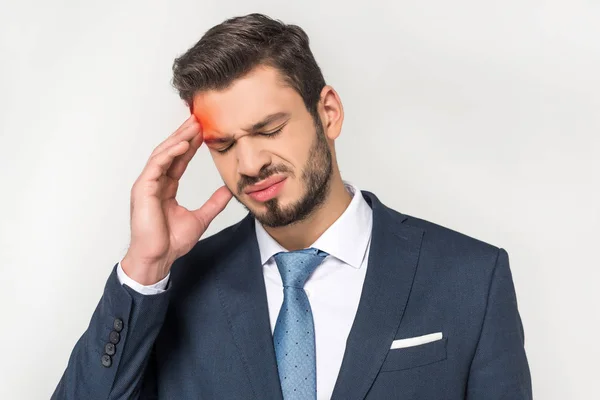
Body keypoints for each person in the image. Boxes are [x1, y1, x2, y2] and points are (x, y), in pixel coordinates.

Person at [52, 13, 532, 400]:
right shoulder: (173, 288)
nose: (250, 162)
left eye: (268, 129)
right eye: (223, 145)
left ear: (328, 112)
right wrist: (145, 266)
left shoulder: (470, 277)